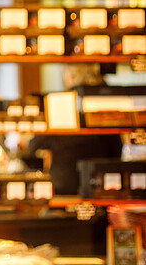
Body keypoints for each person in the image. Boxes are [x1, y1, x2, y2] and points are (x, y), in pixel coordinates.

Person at [24, 64, 122, 194]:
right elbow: (117, 150)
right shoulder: (106, 104)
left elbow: (33, 145)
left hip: (64, 186)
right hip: (100, 186)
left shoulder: (61, 103)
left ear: (70, 76)